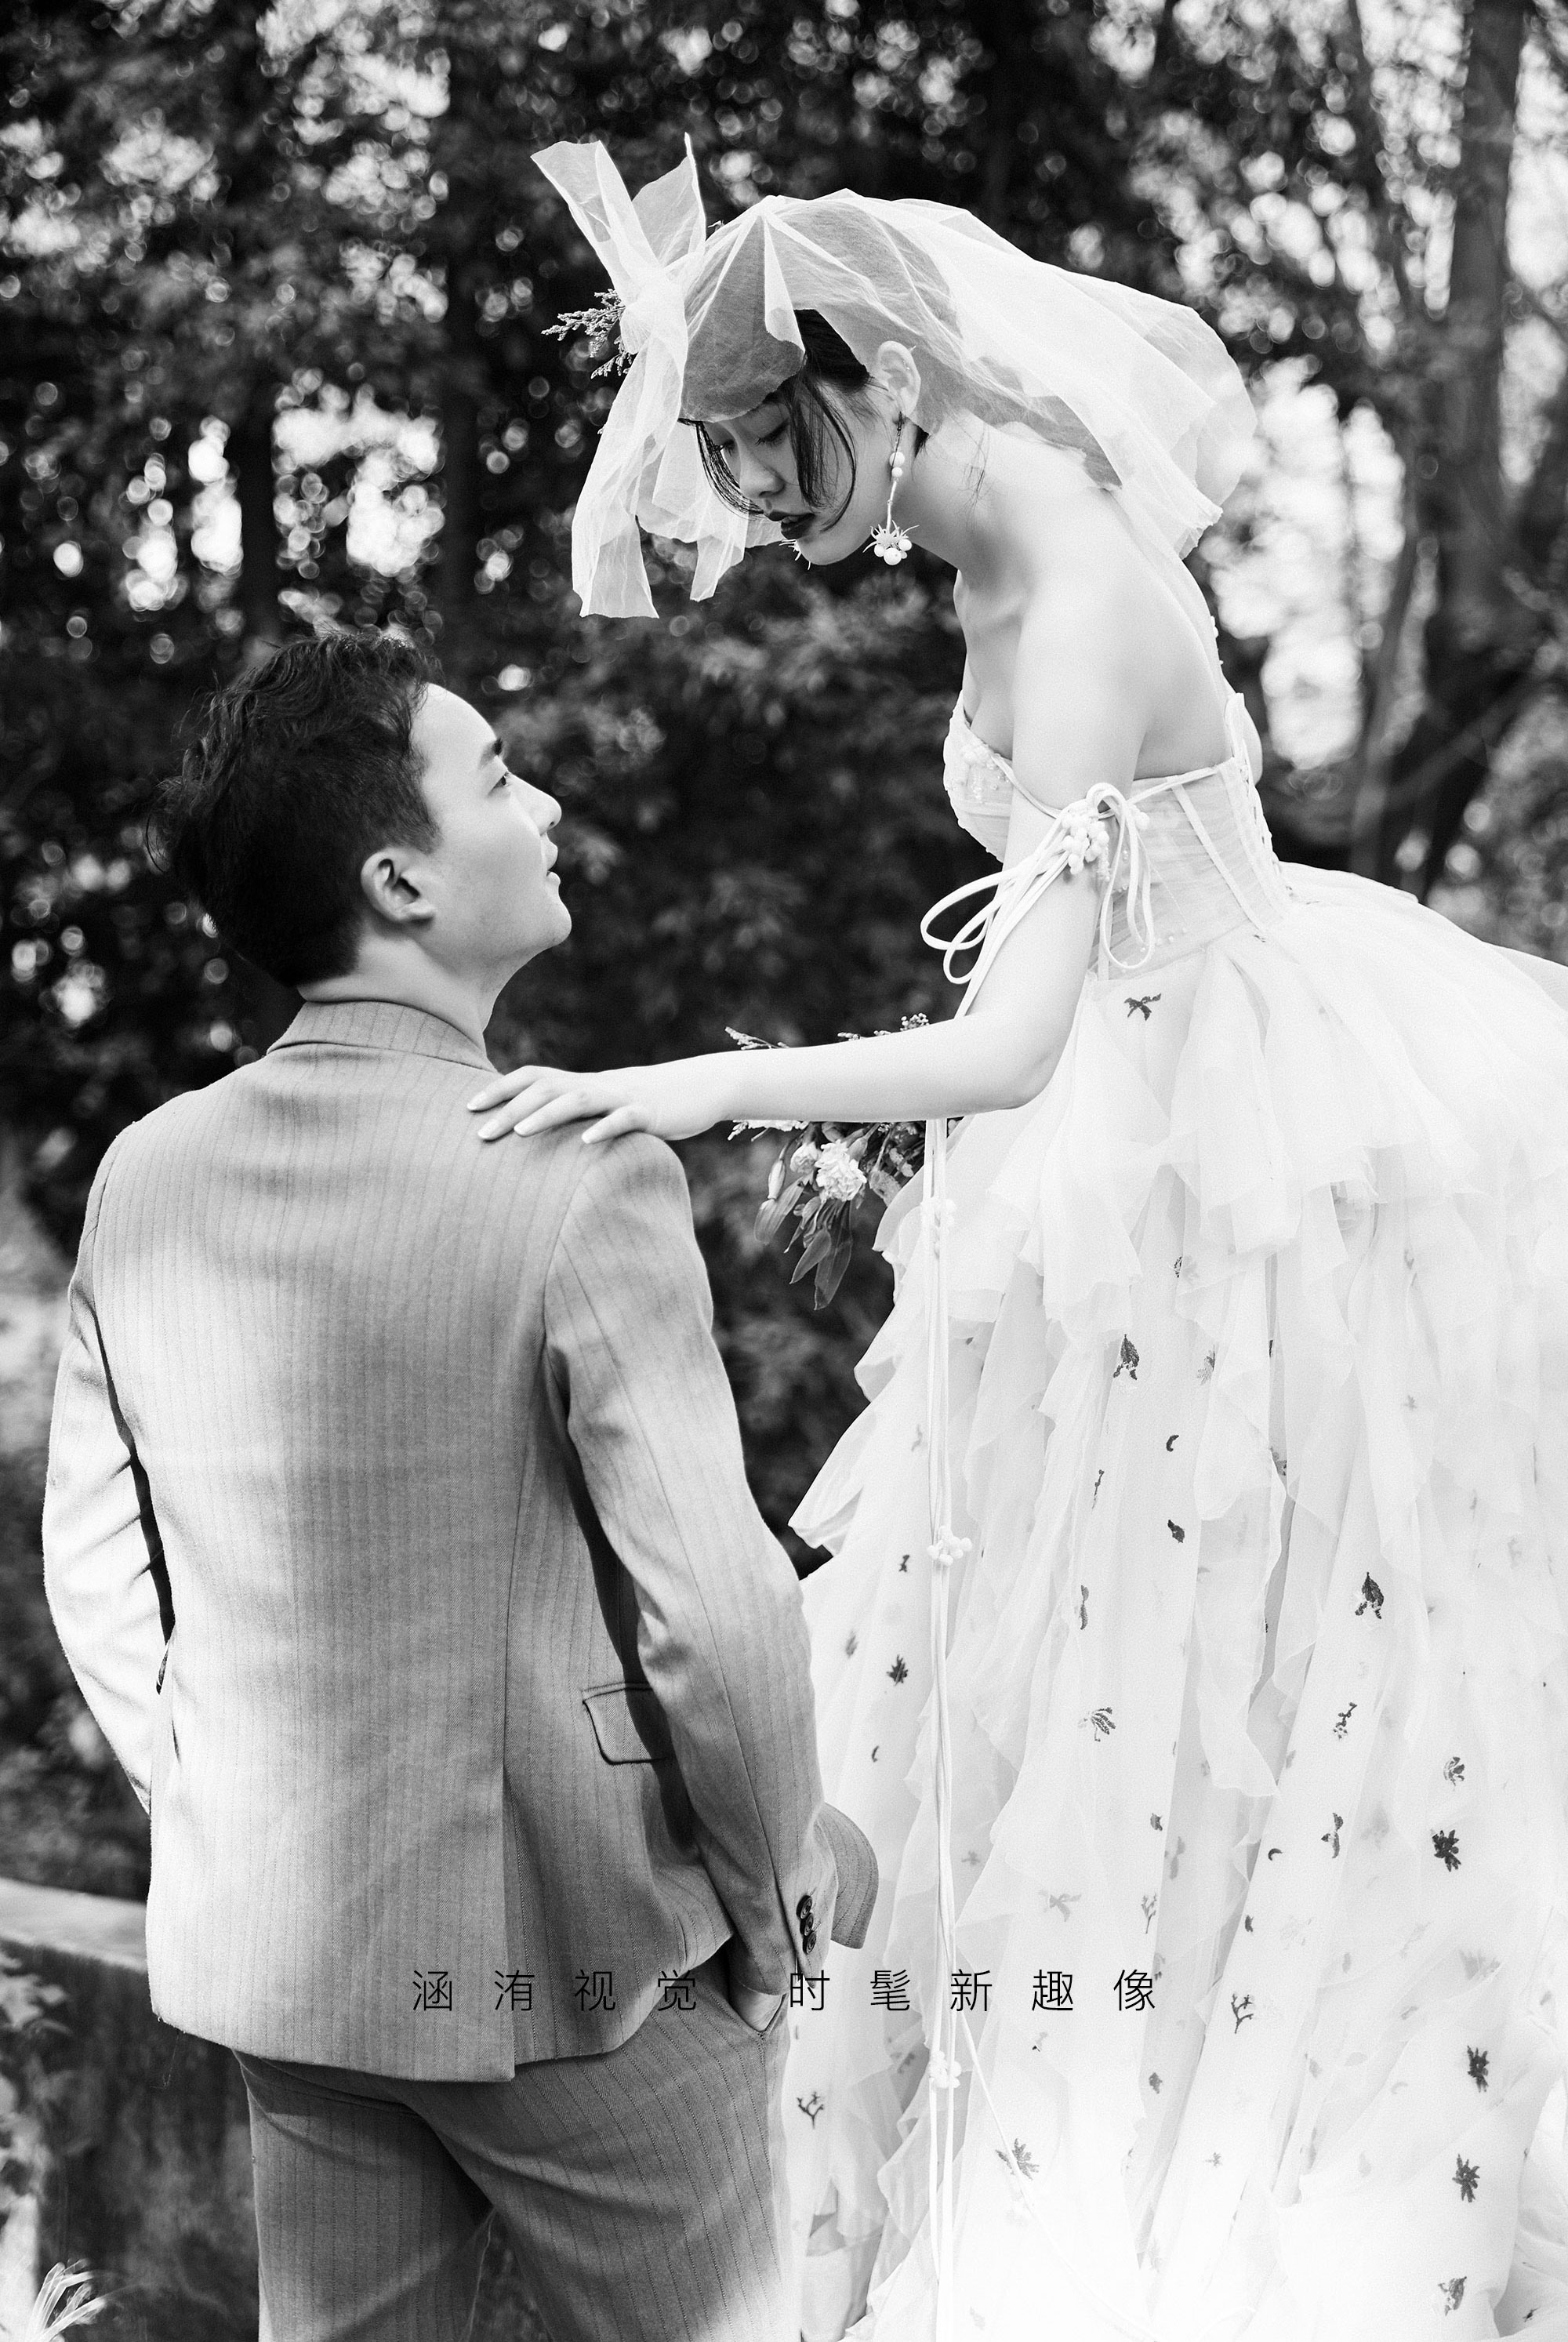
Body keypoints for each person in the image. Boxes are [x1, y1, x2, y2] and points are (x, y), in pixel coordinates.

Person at [471, 139, 1568, 2339]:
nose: (747, 510)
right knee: (1032, 1669)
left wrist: (700, 1087)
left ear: (876, 382)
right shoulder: (973, 542)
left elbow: (1010, 1041)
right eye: (720, 470)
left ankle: (1206, 2208)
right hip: (1113, 1148)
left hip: (1250, 1160)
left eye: (764, 456)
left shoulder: (1069, 591)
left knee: (1243, 1664)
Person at [41, 627, 877, 2342]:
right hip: (587, 1969)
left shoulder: (146, 1174)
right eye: (498, 775)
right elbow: (716, 1618)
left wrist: (220, 1812)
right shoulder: (578, 1176)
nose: (545, 802)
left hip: (292, 1970)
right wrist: (778, 1890)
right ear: (401, 879)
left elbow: (96, 1574)